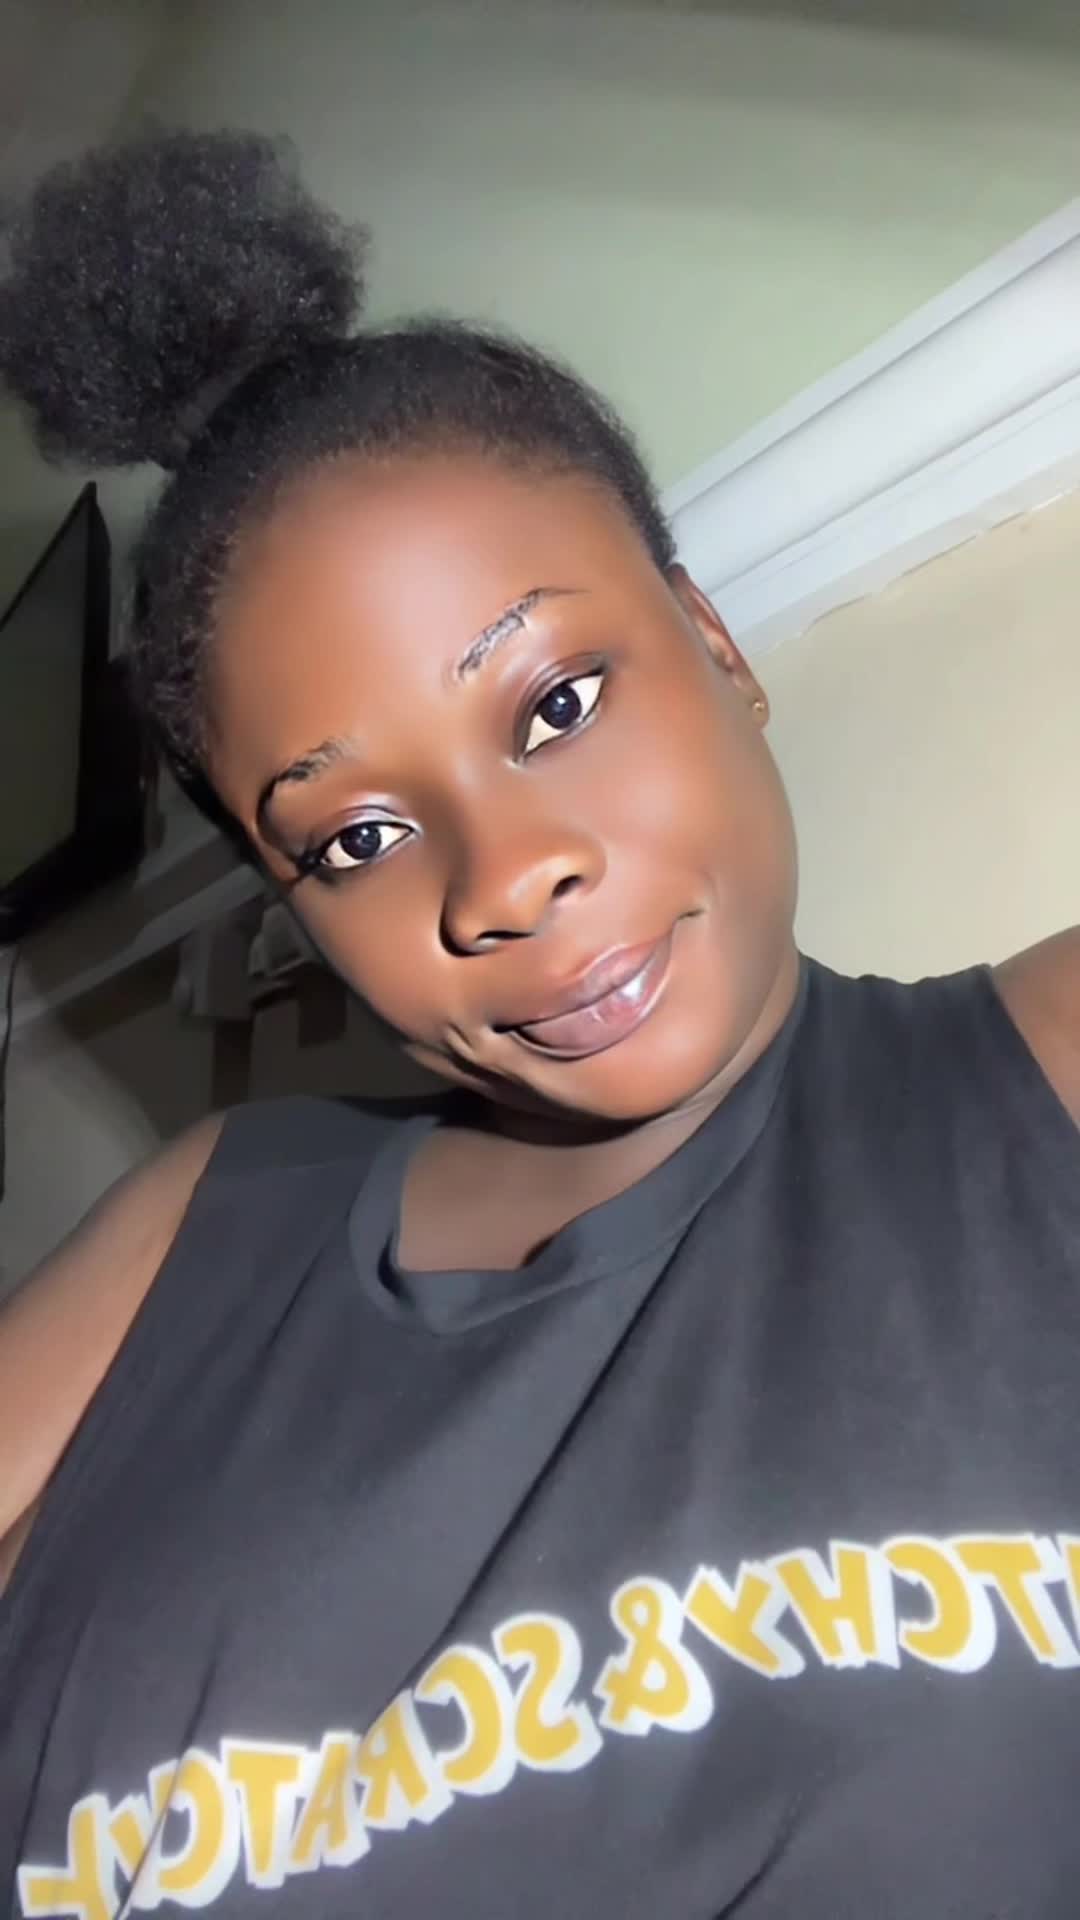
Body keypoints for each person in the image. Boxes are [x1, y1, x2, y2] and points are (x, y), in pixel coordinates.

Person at [1, 128, 1078, 1920]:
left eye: (557, 700)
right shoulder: (204, 1220)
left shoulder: (1041, 1076)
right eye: (354, 838)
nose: (501, 881)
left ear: (718, 644)